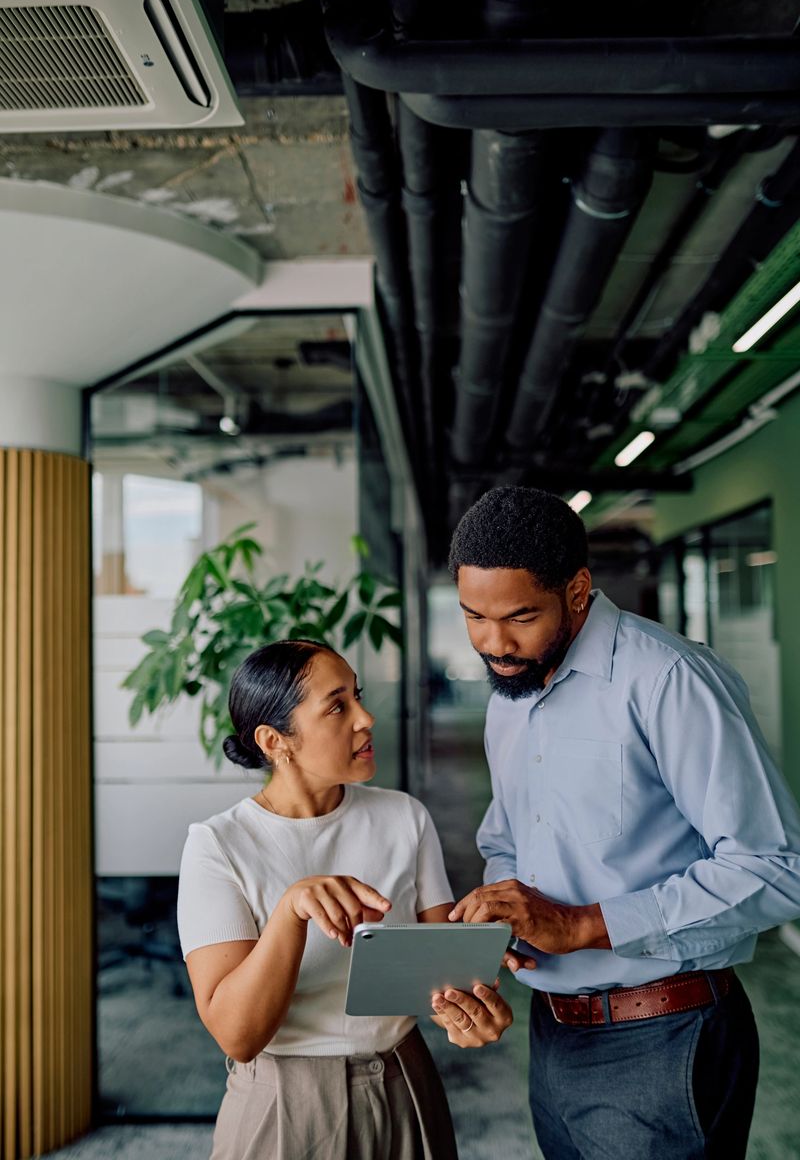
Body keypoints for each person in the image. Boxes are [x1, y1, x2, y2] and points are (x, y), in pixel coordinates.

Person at [446, 485, 800, 1160]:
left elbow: (777, 868)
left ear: (578, 590)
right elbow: (505, 841)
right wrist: (498, 917)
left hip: (664, 1037)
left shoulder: (668, 679)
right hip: (554, 1033)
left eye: (519, 616)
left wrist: (585, 924)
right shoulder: (512, 692)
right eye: (473, 617)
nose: (495, 644)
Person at [177, 638, 517, 1160]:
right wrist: (291, 911)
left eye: (358, 696)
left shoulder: (404, 817)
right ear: (274, 741)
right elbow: (238, 1036)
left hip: (407, 1087)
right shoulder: (218, 845)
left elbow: (445, 973)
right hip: (284, 1105)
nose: (366, 718)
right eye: (337, 706)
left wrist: (472, 1008)